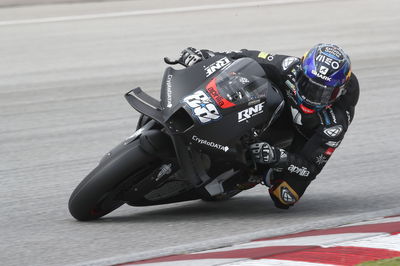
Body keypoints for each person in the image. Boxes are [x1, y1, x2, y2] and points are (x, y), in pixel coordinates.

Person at [172, 44, 359, 209]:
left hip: (302, 138)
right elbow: (246, 56)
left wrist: (278, 156)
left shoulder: (334, 123)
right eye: (307, 85)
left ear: (339, 91)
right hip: (277, 103)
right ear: (301, 70)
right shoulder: (289, 67)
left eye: (323, 93)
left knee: (284, 196)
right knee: (244, 77)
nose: (312, 96)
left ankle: (252, 174)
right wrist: (205, 56)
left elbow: (310, 167)